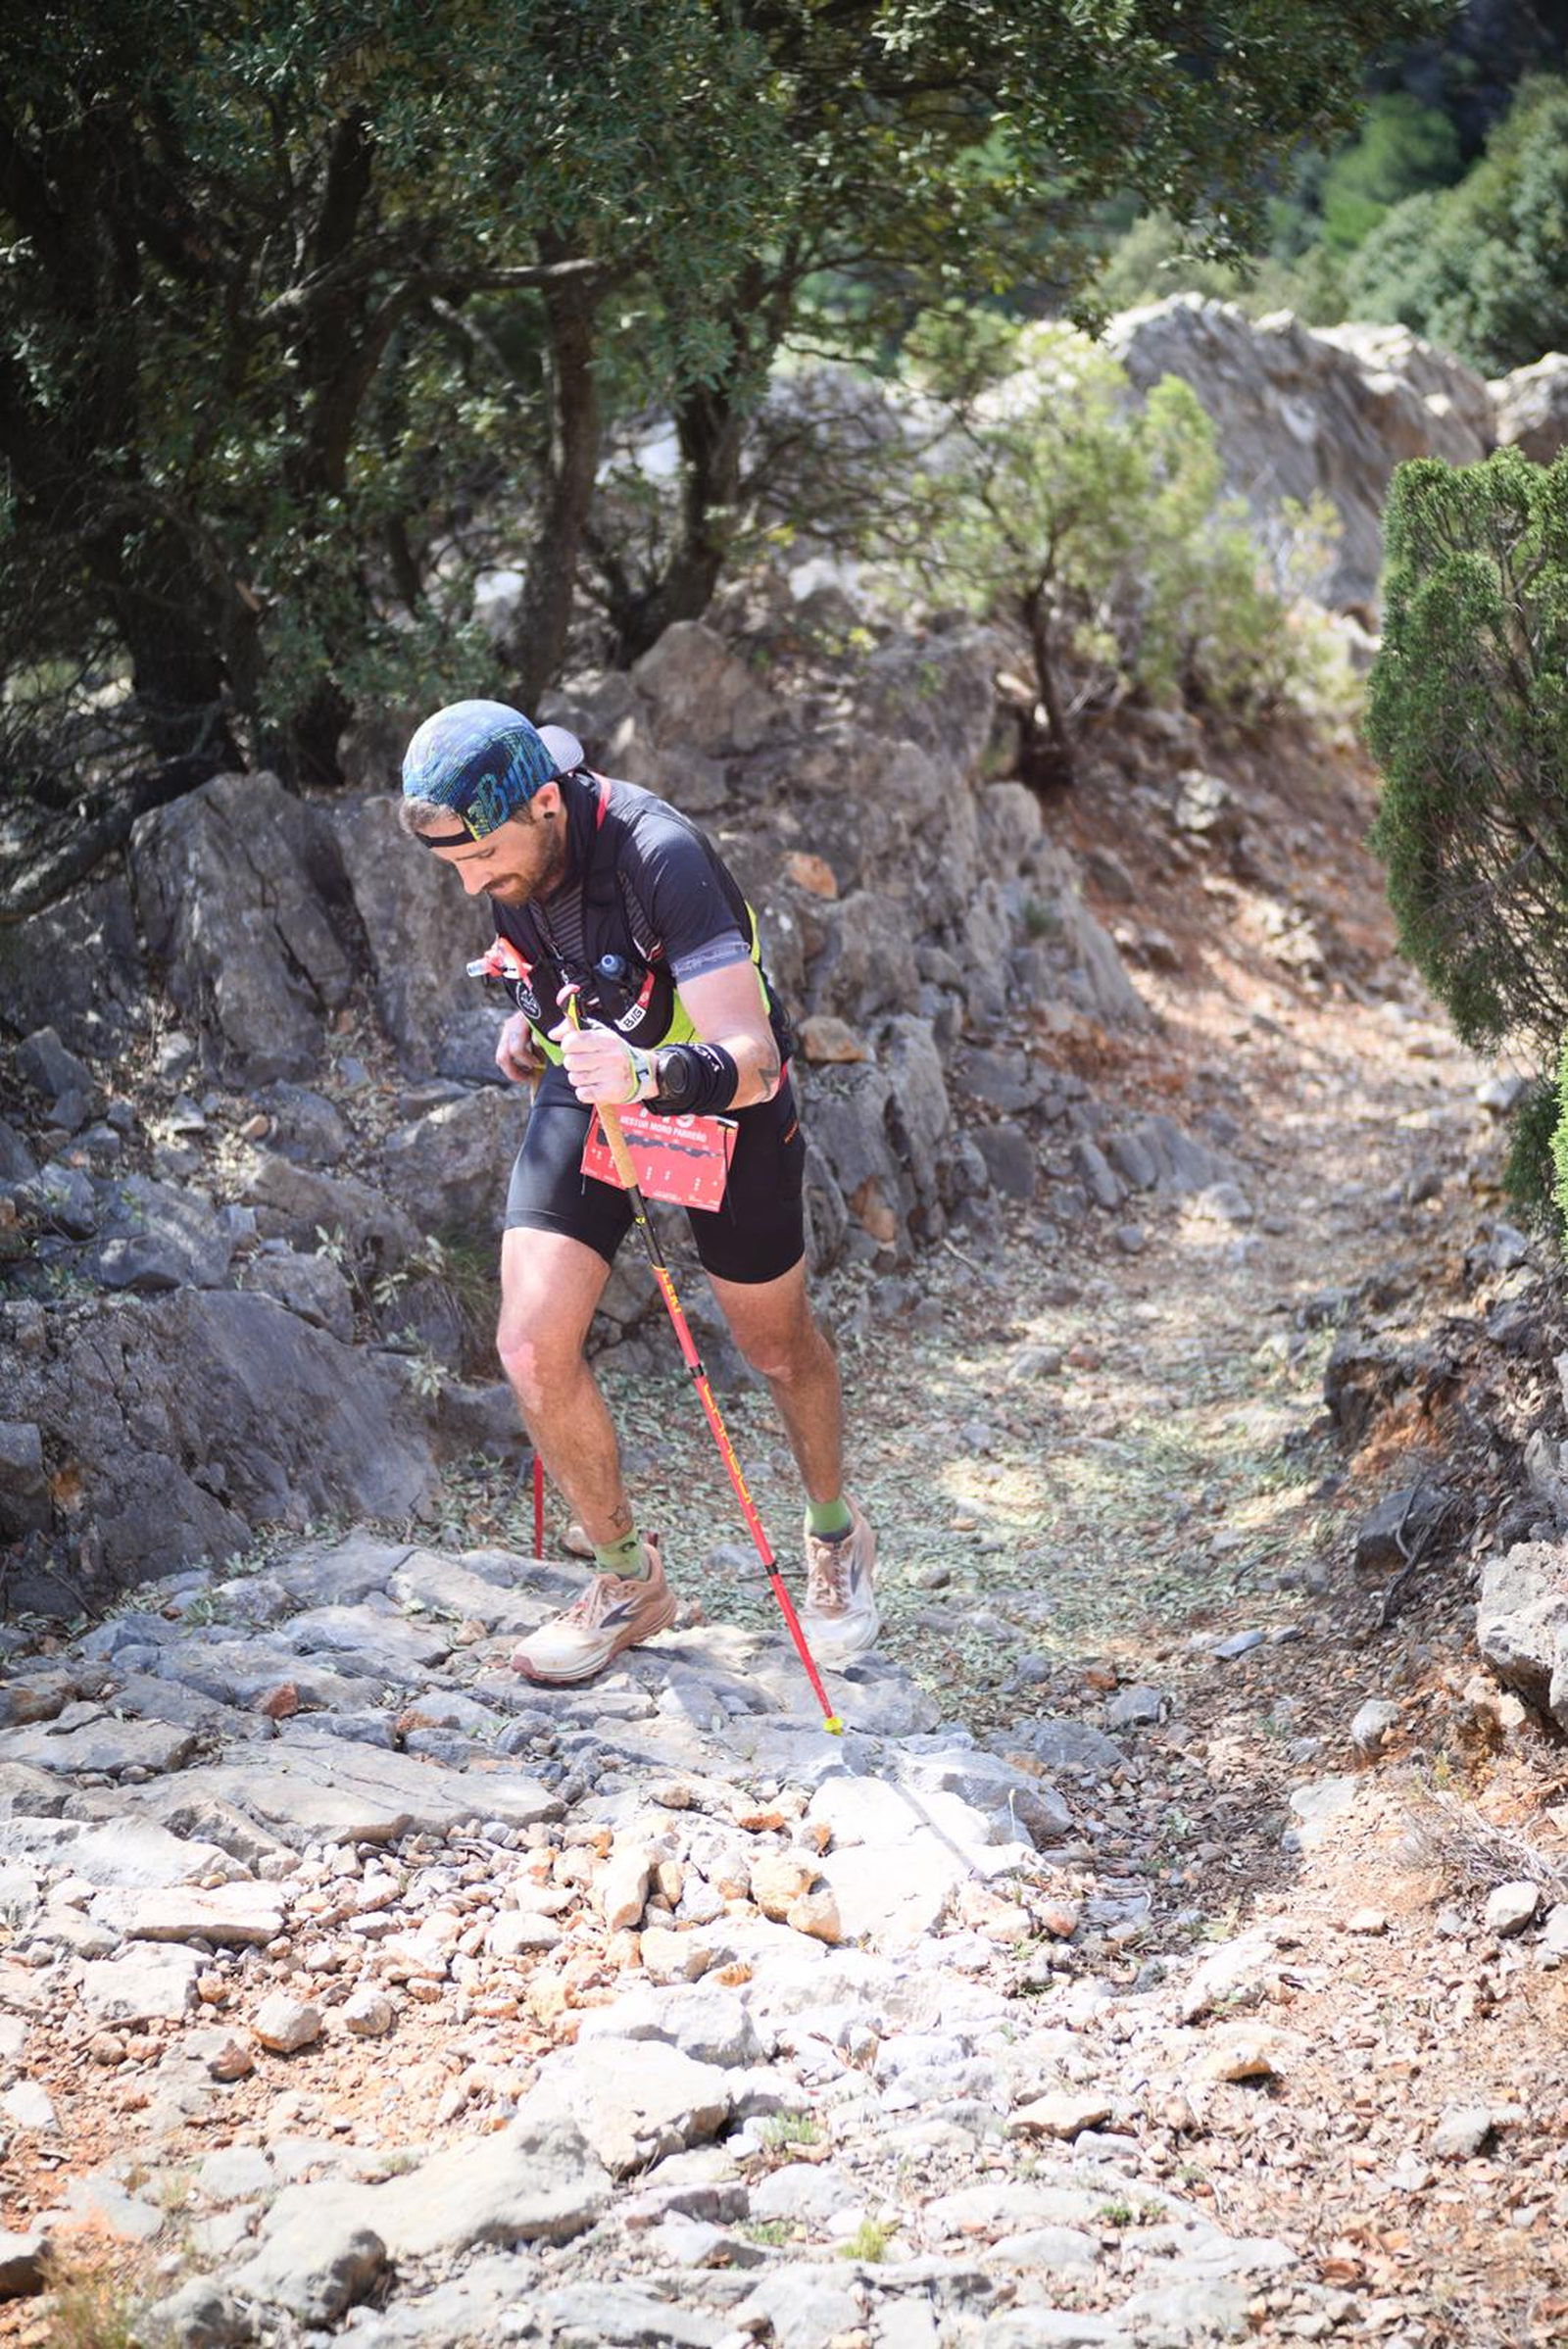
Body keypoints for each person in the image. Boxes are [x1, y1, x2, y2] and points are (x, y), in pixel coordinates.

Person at [398, 698, 877, 1686]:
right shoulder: (512, 844)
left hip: (715, 1098)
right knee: (530, 1344)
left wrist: (649, 1075)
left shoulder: (663, 857)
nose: (474, 882)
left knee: (773, 1345)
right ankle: (628, 1579)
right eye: (456, 867)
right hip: (596, 1078)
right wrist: (531, 1022)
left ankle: (835, 1533)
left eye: (482, 858)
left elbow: (755, 1059)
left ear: (546, 802)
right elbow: (559, 959)